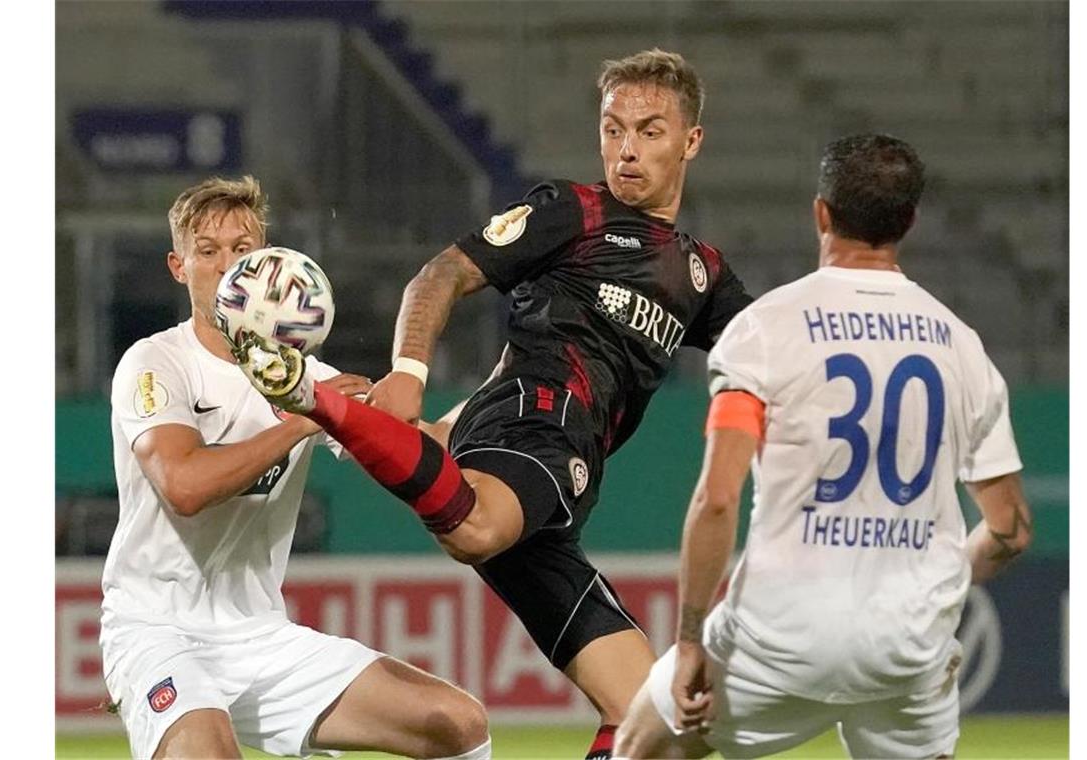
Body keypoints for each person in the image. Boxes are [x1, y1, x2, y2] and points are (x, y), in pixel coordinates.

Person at [228, 49, 753, 759]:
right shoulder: (573, 212)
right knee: (474, 529)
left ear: (691, 141)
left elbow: (775, 351)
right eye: (613, 128)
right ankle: (312, 398)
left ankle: (365, 423)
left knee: (652, 721)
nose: (626, 149)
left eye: (650, 131)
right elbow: (439, 274)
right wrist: (408, 373)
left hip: (560, 491)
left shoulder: (704, 274)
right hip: (529, 425)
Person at [612, 133, 1034, 759]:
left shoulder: (763, 330)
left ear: (821, 212)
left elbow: (719, 499)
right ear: (909, 222)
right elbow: (1009, 530)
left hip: (776, 639)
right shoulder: (963, 348)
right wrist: (936, 583)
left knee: (640, 747)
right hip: (905, 652)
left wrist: (694, 642)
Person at [101, 176, 490, 760]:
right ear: (179, 267)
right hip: (157, 631)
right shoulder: (156, 363)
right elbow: (183, 486)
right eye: (208, 252)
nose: (229, 267)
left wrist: (511, 386)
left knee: (456, 723)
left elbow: (427, 447)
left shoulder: (311, 379)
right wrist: (306, 419)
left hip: (259, 636)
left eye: (243, 250)